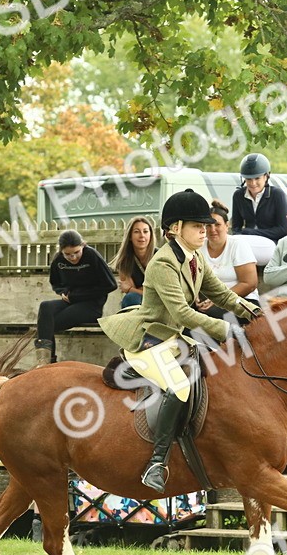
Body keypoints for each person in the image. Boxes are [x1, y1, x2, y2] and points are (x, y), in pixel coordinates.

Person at [99, 189, 261, 491]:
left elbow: (222, 294)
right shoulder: (163, 263)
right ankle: (156, 463)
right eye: (198, 226)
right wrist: (227, 331)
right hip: (149, 337)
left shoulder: (195, 256)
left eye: (207, 226)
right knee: (180, 386)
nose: (206, 231)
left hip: (172, 337)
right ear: (175, 229)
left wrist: (254, 312)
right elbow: (184, 314)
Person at [34, 230, 117, 368]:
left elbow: (111, 284)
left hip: (91, 305)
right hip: (69, 301)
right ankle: (44, 361)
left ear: (83, 246)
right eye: (68, 254)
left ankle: (48, 364)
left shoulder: (92, 255)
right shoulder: (58, 260)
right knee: (45, 307)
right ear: (61, 251)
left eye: (77, 252)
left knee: (46, 325)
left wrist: (78, 295)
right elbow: (56, 283)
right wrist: (63, 292)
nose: (73, 257)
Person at [196, 199, 259, 319]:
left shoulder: (238, 244)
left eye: (217, 224)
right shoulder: (199, 247)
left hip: (240, 300)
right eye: (208, 225)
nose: (212, 229)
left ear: (226, 225)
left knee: (209, 317)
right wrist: (195, 297)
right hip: (208, 300)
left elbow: (250, 283)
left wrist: (217, 300)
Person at [230, 153, 287, 266]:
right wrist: (240, 234)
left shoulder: (277, 195)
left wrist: (252, 232)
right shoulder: (238, 195)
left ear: (266, 176)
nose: (253, 183)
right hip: (247, 242)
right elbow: (236, 227)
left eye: (257, 178)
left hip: (271, 244)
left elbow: (282, 230)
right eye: (248, 179)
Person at [113, 216, 156, 309]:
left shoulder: (160, 256)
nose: (142, 236)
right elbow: (128, 291)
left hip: (163, 302)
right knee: (130, 299)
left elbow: (158, 293)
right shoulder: (124, 261)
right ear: (130, 237)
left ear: (150, 235)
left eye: (145, 231)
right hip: (139, 301)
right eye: (136, 231)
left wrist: (132, 289)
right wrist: (136, 290)